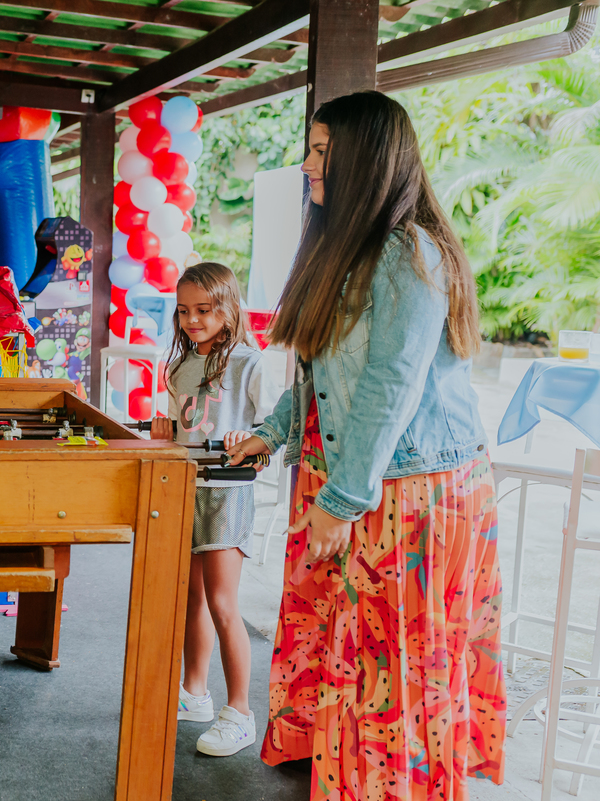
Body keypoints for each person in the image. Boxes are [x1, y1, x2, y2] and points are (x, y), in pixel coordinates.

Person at [227, 91, 505, 800]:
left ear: (365, 158)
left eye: (321, 151)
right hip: (358, 476)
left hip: (407, 488)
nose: (307, 165)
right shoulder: (346, 250)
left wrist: (341, 498)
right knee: (357, 658)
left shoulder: (409, 251)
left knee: (396, 668)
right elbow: (325, 374)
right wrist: (270, 432)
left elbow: (392, 384)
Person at [150, 262, 277, 758]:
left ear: (229, 308)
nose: (192, 320)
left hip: (228, 492)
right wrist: (164, 433)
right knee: (192, 599)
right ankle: (195, 694)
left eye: (203, 310)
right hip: (187, 489)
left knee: (224, 604)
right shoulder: (179, 365)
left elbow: (270, 432)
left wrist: (252, 439)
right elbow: (184, 431)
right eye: (183, 311)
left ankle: (241, 713)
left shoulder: (250, 362)